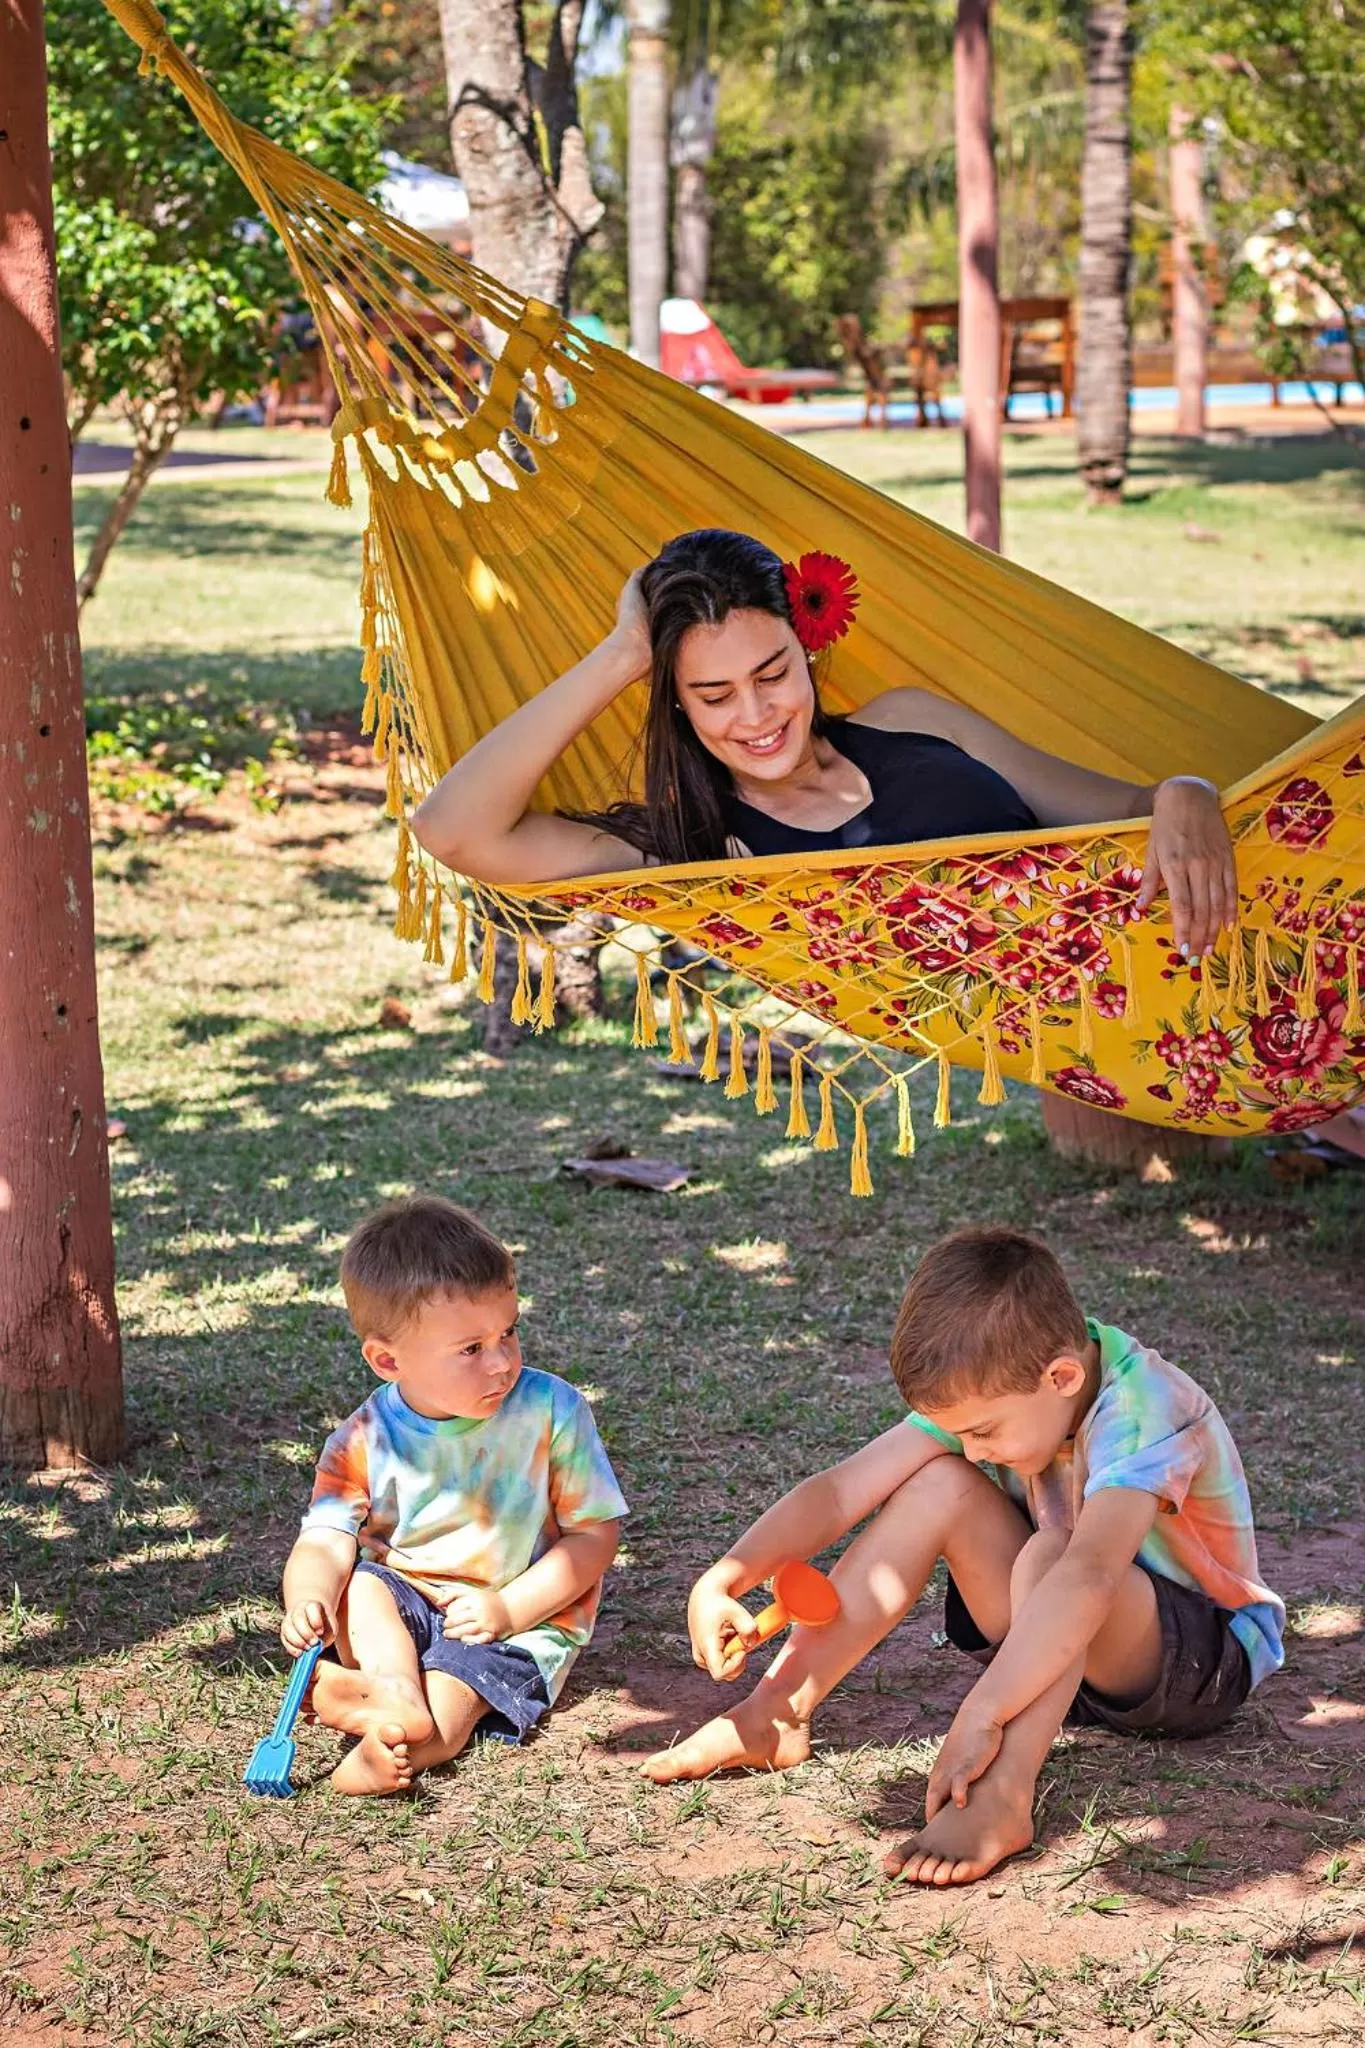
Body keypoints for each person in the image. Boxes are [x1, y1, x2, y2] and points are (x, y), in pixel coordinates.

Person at [642, 1226, 1283, 1889]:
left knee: (1056, 1553)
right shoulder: (1003, 1377)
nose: (973, 1450)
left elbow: (1090, 1574)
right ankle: (775, 1713)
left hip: (1192, 1667)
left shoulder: (1145, 1406)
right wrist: (725, 1577)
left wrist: (983, 1711)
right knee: (935, 1483)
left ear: (1061, 1377)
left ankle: (1001, 1792)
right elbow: (839, 1489)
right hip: (1047, 1655)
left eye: (982, 1432)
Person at [412, 528, 1238, 961]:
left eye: (772, 673)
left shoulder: (913, 720)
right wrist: (624, 654)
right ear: (679, 707)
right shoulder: (697, 845)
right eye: (713, 695)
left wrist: (1186, 792)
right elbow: (452, 831)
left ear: (806, 651)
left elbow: (1132, 808)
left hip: (1166, 947)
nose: (755, 715)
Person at [280, 1195, 627, 1796]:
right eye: (471, 1349)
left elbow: (594, 1536)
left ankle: (391, 1746)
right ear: (387, 1360)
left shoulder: (551, 1409)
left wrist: (509, 1609)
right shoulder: (362, 1439)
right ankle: (394, 1691)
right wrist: (306, 1598)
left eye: (508, 1332)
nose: (501, 1363)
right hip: (405, 1601)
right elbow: (325, 1541)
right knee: (359, 1586)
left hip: (517, 1621)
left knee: (453, 1704)